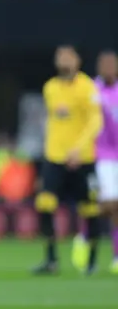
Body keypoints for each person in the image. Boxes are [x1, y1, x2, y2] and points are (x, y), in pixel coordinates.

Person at [34, 45, 102, 275]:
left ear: (78, 61)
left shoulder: (87, 87)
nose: (65, 61)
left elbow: (95, 122)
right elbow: (55, 123)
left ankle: (92, 261)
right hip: (56, 158)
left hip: (83, 158)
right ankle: (51, 259)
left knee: (90, 208)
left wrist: (78, 149)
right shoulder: (50, 88)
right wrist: (52, 151)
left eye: (69, 57)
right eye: (61, 57)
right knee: (44, 203)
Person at [73, 50, 118, 273]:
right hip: (99, 154)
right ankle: (84, 235)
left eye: (112, 64)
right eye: (105, 64)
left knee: (115, 206)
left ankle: (116, 256)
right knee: (106, 204)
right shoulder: (92, 89)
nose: (109, 68)